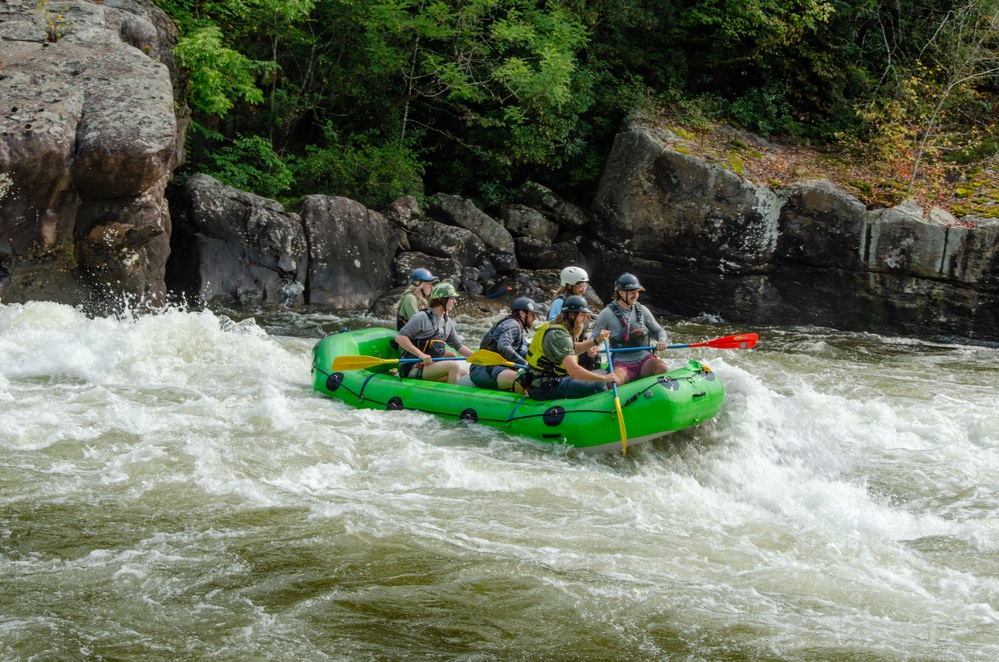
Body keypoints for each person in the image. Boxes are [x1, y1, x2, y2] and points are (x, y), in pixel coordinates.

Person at [523, 295, 620, 400]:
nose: (585, 319)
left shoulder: (557, 328)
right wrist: (603, 378)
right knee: (600, 385)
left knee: (598, 373)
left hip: (547, 381)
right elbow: (574, 371)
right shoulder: (559, 335)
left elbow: (572, 348)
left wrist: (596, 341)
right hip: (545, 386)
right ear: (572, 315)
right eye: (583, 315)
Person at [589, 273, 670, 385]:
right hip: (622, 362)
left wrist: (661, 340)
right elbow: (594, 337)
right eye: (632, 292)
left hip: (644, 359)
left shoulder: (642, 310)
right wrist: (592, 347)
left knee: (662, 368)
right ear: (621, 293)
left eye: (637, 292)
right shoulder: (606, 314)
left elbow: (659, 331)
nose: (635, 295)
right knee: (614, 382)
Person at [394, 282, 473, 384]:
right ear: (442, 300)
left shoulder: (447, 321)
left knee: (463, 373)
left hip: (430, 366)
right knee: (454, 367)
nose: (455, 301)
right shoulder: (421, 317)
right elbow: (400, 337)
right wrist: (420, 354)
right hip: (413, 367)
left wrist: (478, 358)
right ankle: (451, 398)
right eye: (452, 298)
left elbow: (458, 346)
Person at [470, 297, 537, 391]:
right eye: (532, 314)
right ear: (522, 313)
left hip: (490, 368)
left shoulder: (511, 324)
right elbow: (503, 346)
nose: (535, 318)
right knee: (522, 379)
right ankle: (522, 404)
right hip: (484, 369)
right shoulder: (513, 325)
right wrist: (524, 363)